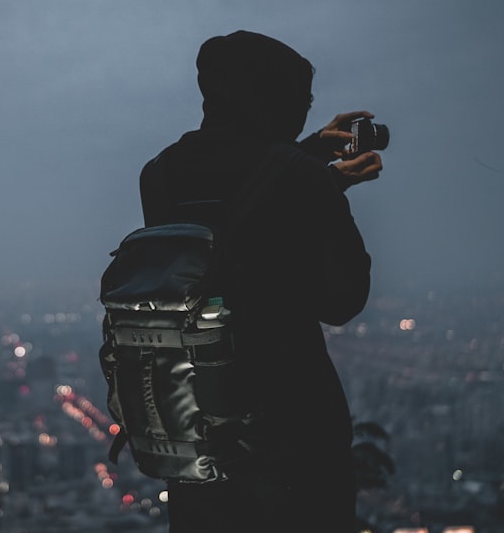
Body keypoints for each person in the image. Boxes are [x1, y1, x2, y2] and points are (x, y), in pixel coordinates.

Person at [137, 30, 383, 532]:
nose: (304, 110)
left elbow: (226, 230)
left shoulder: (159, 173)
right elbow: (343, 298)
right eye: (302, 100)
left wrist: (310, 156)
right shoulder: (301, 179)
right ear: (278, 97)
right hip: (292, 425)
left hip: (195, 422)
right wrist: (327, 190)